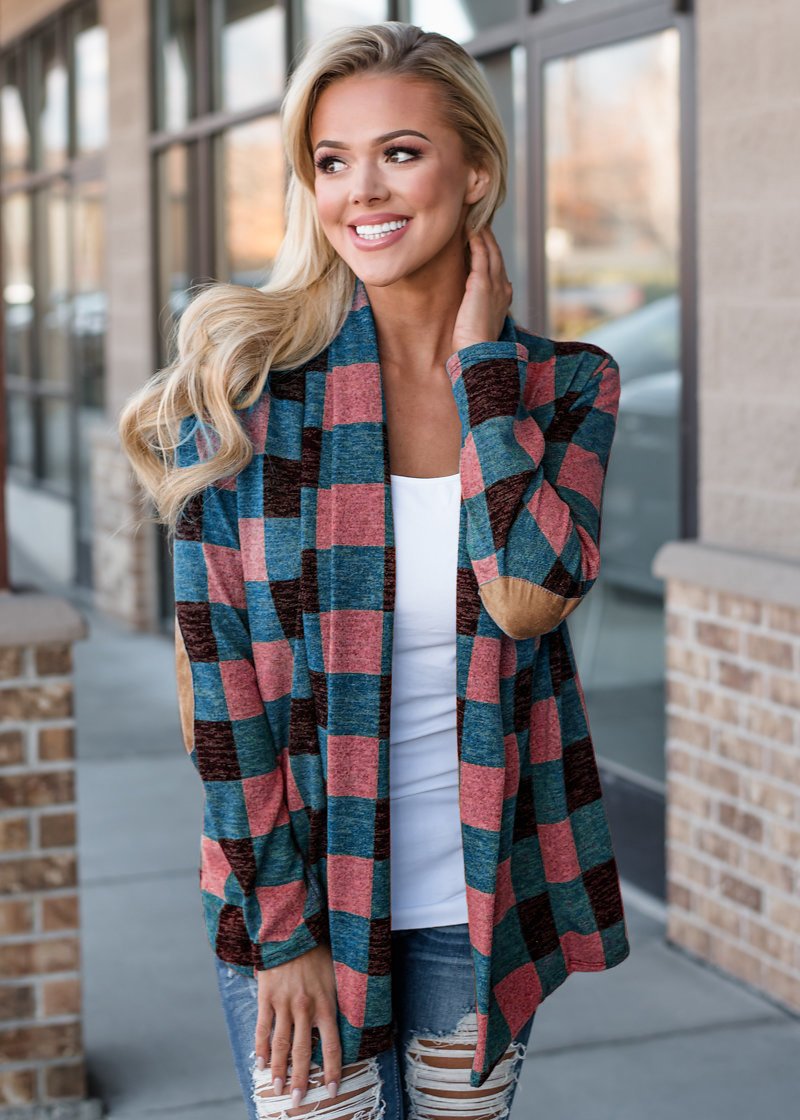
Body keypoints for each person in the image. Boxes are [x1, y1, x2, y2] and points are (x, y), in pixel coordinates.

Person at [118, 20, 630, 1120]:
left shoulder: (564, 385)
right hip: (294, 898)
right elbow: (217, 701)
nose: (361, 190)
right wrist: (287, 933)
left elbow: (527, 593)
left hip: (476, 900)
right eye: (330, 160)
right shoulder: (246, 392)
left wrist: (485, 379)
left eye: (398, 152)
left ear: (474, 169)